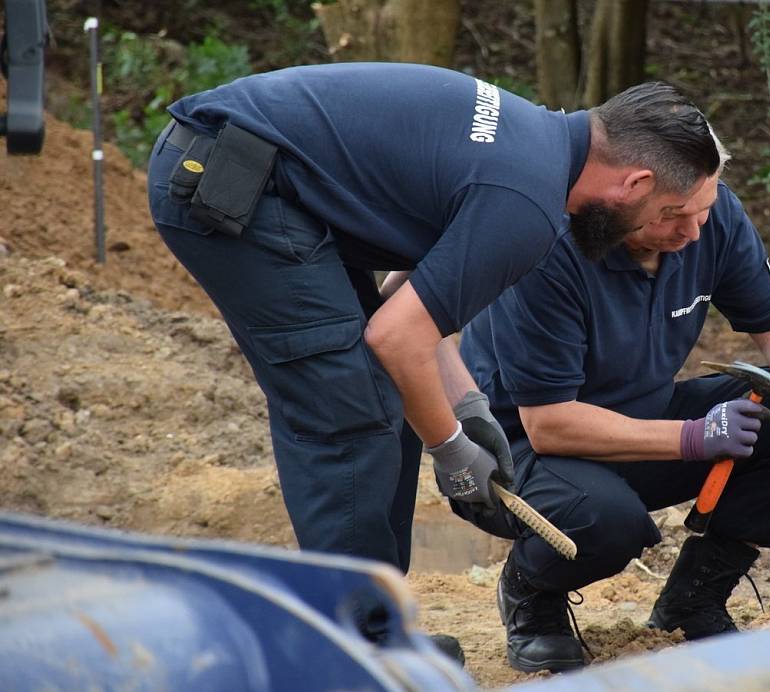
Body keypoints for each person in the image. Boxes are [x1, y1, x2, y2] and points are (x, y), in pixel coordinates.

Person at [145, 63, 722, 647]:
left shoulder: (533, 148)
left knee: (381, 398)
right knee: (349, 414)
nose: (676, 230)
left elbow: (403, 303)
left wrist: (467, 407)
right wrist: (450, 450)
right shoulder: (526, 203)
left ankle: (378, 626)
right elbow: (396, 337)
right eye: (670, 212)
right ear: (636, 183)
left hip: (270, 178)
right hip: (232, 180)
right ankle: (357, 651)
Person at [453, 151, 770, 673]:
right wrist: (695, 437)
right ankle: (530, 592)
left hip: (640, 418)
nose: (694, 231)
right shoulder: (548, 248)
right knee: (608, 523)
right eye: (674, 215)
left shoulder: (707, 216)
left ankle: (694, 598)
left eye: (704, 209)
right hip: (516, 452)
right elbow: (549, 423)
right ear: (630, 190)